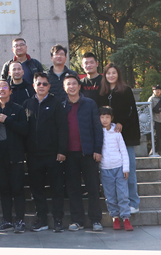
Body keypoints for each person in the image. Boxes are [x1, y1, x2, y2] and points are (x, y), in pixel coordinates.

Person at [24, 71, 67, 233]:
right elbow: (24, 129)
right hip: (34, 155)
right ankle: (41, 219)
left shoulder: (56, 103)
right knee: (37, 189)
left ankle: (58, 219)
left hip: (53, 154)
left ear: (49, 86)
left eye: (44, 84)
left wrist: (62, 150)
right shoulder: (27, 104)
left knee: (57, 188)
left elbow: (62, 128)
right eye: (38, 83)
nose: (41, 86)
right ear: (34, 86)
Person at [61, 74, 103, 231]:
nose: (71, 87)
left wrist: (98, 149)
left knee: (93, 187)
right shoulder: (62, 106)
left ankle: (96, 220)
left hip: (88, 152)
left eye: (74, 84)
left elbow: (97, 128)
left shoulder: (89, 104)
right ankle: (77, 220)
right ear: (64, 88)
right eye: (68, 84)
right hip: (69, 154)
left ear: (79, 86)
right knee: (73, 189)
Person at [0, 80, 28, 233]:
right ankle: (7, 220)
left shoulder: (18, 109)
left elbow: (25, 130)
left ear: (10, 91)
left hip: (15, 155)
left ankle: (20, 220)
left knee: (17, 189)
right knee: (4, 190)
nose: (2, 90)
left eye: (5, 87)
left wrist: (8, 120)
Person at [98, 64, 140, 214]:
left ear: (118, 74)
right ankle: (116, 204)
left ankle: (133, 202)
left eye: (114, 73)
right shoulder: (102, 92)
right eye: (108, 73)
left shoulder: (125, 90)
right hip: (108, 138)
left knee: (129, 170)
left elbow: (131, 111)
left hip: (125, 135)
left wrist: (121, 122)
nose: (111, 76)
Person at [99, 107, 133, 231]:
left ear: (112, 118)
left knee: (123, 194)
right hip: (105, 168)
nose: (105, 120)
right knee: (110, 195)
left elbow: (123, 150)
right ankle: (115, 217)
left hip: (119, 167)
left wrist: (126, 168)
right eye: (102, 117)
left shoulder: (116, 132)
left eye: (107, 117)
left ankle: (126, 217)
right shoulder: (98, 132)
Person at [148, 85, 161, 157]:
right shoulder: (151, 99)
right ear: (153, 91)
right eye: (156, 90)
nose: (158, 91)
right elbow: (149, 110)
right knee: (157, 137)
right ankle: (156, 151)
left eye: (159, 90)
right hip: (156, 120)